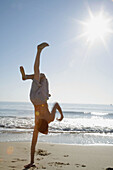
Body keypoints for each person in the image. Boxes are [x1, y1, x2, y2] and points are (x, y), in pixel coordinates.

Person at [20, 42, 64, 169]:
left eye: (47, 131)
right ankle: (26, 77)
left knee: (41, 74)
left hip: (41, 98)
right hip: (33, 99)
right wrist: (31, 161)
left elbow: (56, 104)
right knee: (39, 75)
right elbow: (33, 144)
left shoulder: (49, 119)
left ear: (46, 127)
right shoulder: (37, 124)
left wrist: (61, 114)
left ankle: (38, 51)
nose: (47, 131)